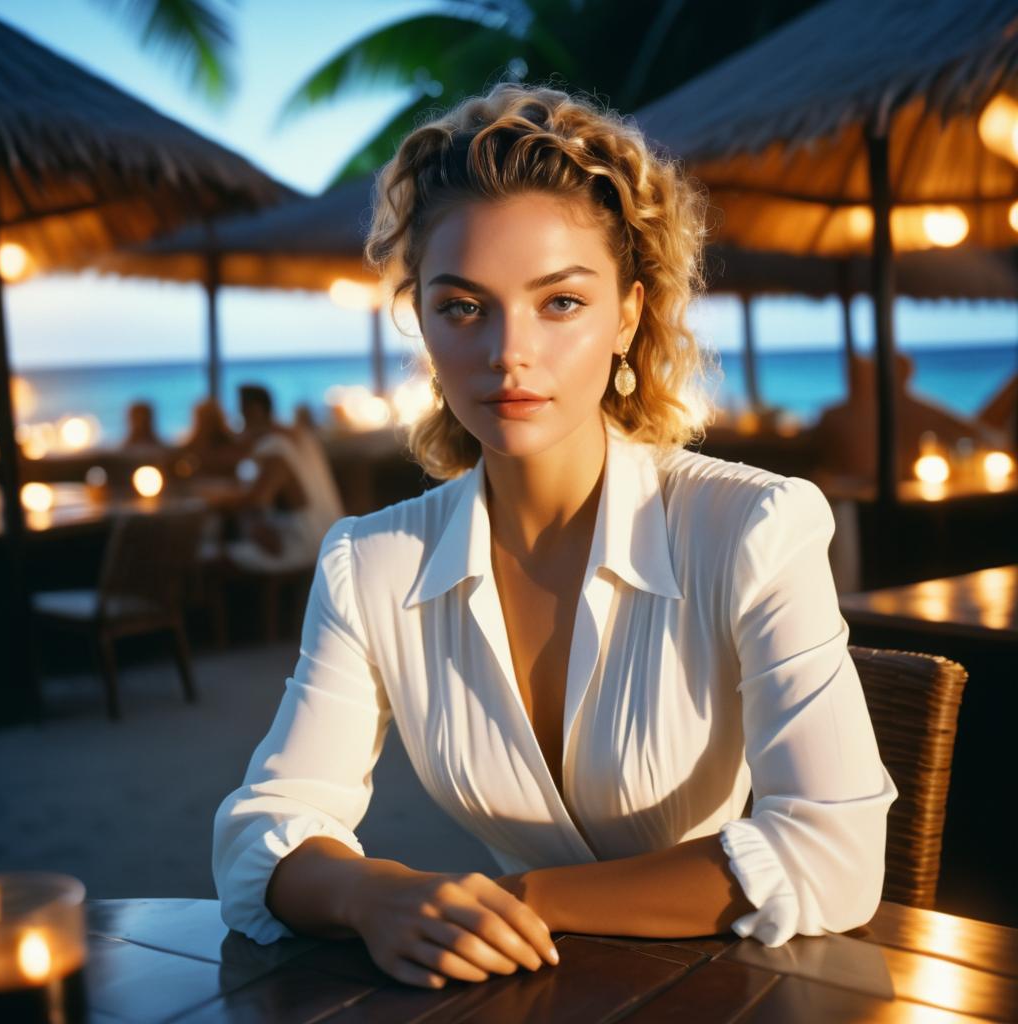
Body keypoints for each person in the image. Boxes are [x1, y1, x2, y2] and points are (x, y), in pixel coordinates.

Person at [213, 82, 897, 988]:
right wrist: (373, 894)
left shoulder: (751, 528)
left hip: (736, 990)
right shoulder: (369, 564)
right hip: (523, 992)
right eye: (463, 306)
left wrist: (530, 896)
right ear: (423, 320)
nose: (508, 351)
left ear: (628, 316)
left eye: (560, 303)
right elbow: (264, 826)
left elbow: (834, 852)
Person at [811, 352, 1005, 483]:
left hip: (904, 484)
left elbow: (975, 432)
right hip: (854, 491)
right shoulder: (835, 414)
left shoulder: (921, 409)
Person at [216, 385, 340, 572]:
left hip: (305, 543)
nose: (240, 416)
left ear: (255, 410)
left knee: (216, 556)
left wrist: (217, 498)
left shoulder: (275, 445)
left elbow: (258, 500)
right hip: (325, 535)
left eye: (242, 410)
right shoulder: (294, 435)